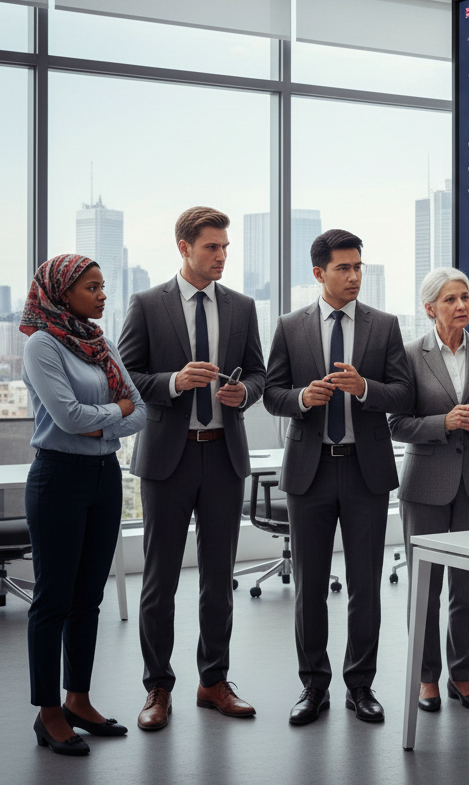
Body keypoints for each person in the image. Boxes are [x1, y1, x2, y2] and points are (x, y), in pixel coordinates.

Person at [118, 206, 266, 731]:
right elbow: (128, 377)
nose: (222, 256)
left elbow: (260, 374)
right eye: (211, 247)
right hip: (167, 458)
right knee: (159, 580)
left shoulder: (243, 307)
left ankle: (213, 681)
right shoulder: (146, 305)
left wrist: (243, 391)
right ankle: (157, 687)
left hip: (224, 455)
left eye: (226, 247)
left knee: (218, 578)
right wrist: (175, 383)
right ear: (184, 247)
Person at [263, 229, 413, 726]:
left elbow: (403, 395)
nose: (353, 276)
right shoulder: (289, 326)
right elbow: (272, 395)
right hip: (310, 469)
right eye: (343, 268)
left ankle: (361, 685)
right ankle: (313, 686)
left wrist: (365, 387)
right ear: (318, 273)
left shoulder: (385, 325)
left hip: (365, 470)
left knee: (365, 583)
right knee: (308, 584)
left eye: (358, 267)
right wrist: (305, 398)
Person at [20, 255, 147, 755]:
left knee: (87, 598)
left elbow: (140, 411)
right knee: (52, 600)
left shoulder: (99, 342)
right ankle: (48, 713)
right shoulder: (40, 345)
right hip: (58, 478)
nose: (102, 296)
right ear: (62, 291)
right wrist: (113, 411)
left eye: (103, 286)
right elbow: (70, 420)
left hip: (105, 476)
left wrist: (106, 417)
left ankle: (78, 699)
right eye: (92, 287)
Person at [388, 268, 469, 713]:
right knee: (426, 588)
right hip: (425, 487)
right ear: (429, 309)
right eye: (450, 300)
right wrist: (445, 423)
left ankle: (462, 674)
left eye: (466, 297)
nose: (461, 306)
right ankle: (427, 679)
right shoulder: (406, 355)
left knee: (467, 588)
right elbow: (396, 424)